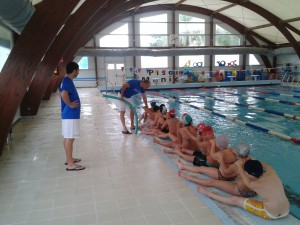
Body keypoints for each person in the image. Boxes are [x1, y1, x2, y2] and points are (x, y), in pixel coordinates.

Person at [197, 159, 290, 220]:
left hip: (271, 213)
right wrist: (253, 161)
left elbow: (245, 179)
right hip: (286, 209)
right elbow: (267, 166)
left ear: (249, 174)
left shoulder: (254, 184)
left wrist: (239, 166)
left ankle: (207, 193)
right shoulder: (272, 171)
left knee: (235, 200)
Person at [59, 62, 85, 171]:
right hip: (70, 114)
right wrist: (70, 104)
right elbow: (63, 94)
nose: (78, 72)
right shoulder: (67, 81)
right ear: (74, 70)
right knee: (69, 138)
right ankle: (70, 164)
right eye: (78, 70)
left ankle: (69, 159)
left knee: (68, 137)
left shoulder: (66, 80)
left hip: (69, 114)